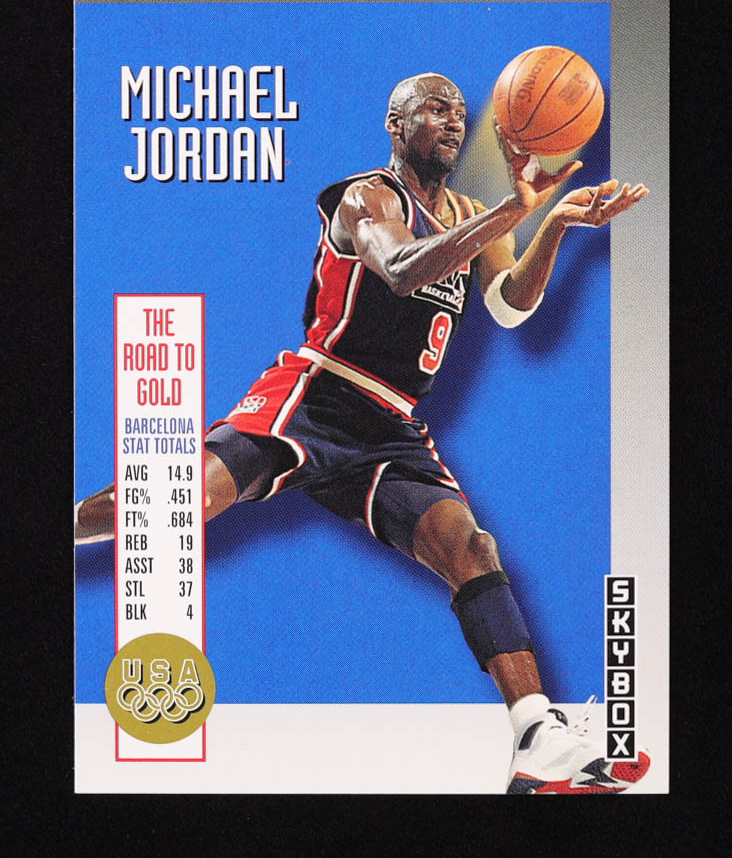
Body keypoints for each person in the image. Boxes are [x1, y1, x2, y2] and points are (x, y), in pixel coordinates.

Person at [76, 72, 650, 793]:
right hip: (318, 393)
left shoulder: (472, 214)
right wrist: (515, 209)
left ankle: (538, 737)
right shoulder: (366, 196)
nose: (453, 120)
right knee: (176, 503)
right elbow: (401, 269)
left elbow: (509, 305)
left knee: (470, 548)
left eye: (460, 111)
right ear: (395, 123)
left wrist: (555, 222)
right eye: (435, 108)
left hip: (391, 425)